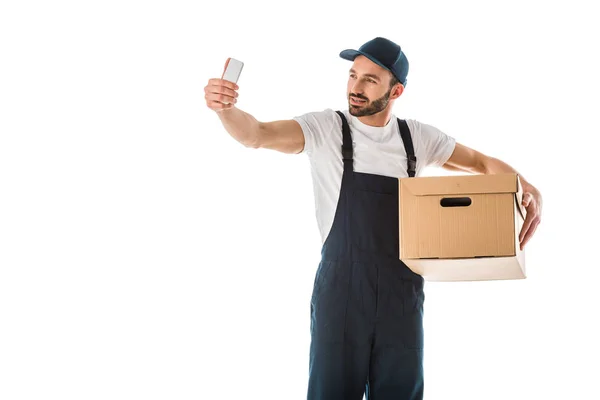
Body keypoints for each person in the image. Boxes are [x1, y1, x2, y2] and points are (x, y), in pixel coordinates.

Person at [204, 37, 542, 400]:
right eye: (353, 75)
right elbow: (257, 134)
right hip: (342, 292)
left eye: (370, 80)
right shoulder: (326, 129)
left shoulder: (416, 138)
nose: (355, 87)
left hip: (402, 293)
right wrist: (225, 109)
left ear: (396, 90)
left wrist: (526, 187)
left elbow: (480, 163)